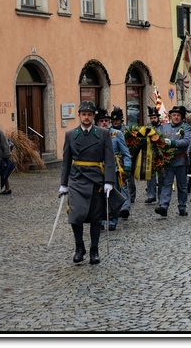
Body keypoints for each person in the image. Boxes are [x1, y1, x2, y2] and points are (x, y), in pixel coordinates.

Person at [59, 100, 116, 265]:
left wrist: (109, 181)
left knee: (95, 217)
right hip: (77, 179)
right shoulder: (70, 134)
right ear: (79, 115)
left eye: (89, 115)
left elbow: (109, 159)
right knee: (75, 216)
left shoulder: (103, 133)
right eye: (83, 114)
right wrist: (64, 183)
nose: (86, 117)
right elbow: (66, 161)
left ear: (93, 116)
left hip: (96, 179)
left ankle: (94, 250)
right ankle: (79, 247)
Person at [96, 108, 131, 231]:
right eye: (102, 121)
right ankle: (99, 220)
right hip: (98, 169)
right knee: (98, 196)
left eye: (106, 120)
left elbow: (126, 153)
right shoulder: (94, 134)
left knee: (114, 195)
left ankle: (112, 220)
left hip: (114, 169)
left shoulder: (117, 134)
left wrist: (127, 168)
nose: (104, 123)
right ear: (97, 122)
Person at [155, 105, 191, 217]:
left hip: (180, 160)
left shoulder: (186, 127)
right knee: (167, 184)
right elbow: (157, 140)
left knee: (182, 185)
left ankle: (182, 207)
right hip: (168, 161)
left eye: (178, 115)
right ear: (170, 116)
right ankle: (163, 206)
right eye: (174, 115)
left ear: (181, 117)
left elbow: (187, 141)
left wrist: (172, 143)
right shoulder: (163, 127)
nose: (176, 117)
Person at [111, 106, 136, 210]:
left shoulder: (127, 131)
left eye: (117, 120)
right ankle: (123, 206)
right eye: (113, 120)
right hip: (115, 160)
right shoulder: (109, 132)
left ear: (121, 120)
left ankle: (130, 199)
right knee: (120, 183)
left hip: (126, 158)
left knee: (127, 181)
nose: (115, 122)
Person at [145, 107, 164, 204]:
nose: (153, 120)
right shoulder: (147, 129)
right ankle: (151, 195)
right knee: (150, 176)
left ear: (158, 118)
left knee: (161, 177)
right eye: (151, 118)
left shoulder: (163, 128)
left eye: (154, 118)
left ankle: (161, 195)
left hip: (160, 155)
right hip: (150, 155)